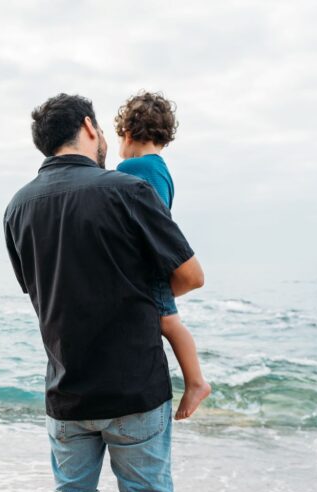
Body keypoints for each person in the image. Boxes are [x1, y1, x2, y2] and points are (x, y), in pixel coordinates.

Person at [3, 94, 204, 492]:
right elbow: (189, 275)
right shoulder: (128, 190)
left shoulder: (17, 207)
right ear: (90, 128)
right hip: (135, 382)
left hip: (66, 383)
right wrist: (143, 294)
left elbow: (38, 289)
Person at [115, 91, 211, 420]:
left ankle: (196, 381)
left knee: (168, 321)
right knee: (168, 321)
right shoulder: (160, 168)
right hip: (156, 261)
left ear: (126, 133)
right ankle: (194, 380)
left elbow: (143, 219)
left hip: (149, 264)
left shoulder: (133, 167)